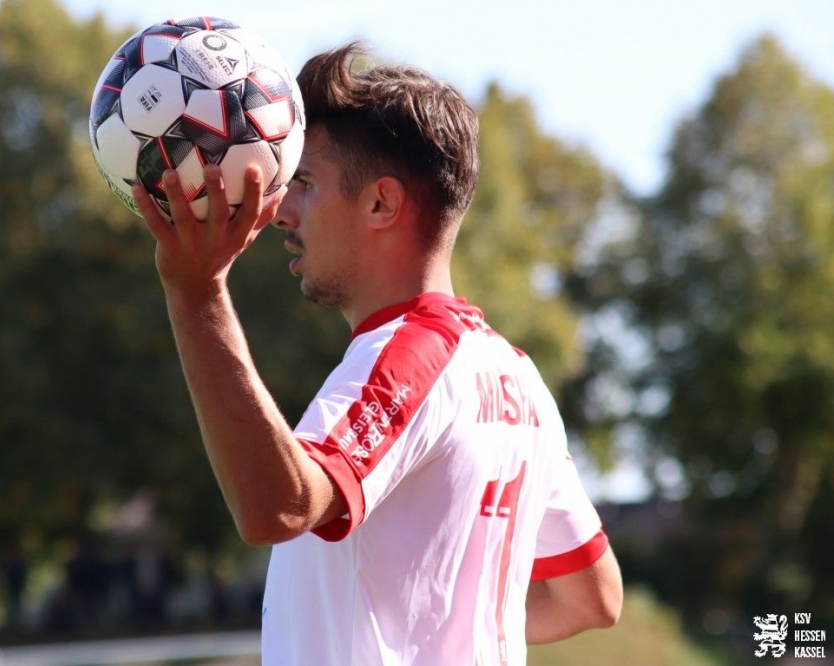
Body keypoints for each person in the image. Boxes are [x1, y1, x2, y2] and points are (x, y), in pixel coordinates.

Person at [132, 41, 622, 666]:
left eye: (305, 183)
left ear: (381, 203)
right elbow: (592, 597)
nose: (282, 211)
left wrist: (197, 294)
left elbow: (278, 507)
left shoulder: (411, 354)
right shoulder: (519, 377)